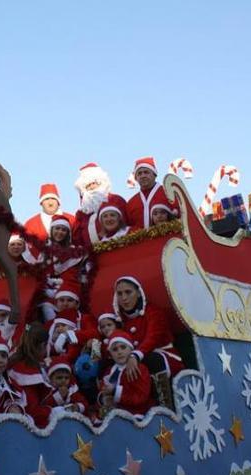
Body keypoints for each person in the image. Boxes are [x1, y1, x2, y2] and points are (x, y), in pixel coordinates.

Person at [113, 276, 184, 409]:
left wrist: (135, 355)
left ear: (139, 293)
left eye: (128, 292)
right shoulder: (121, 320)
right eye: (120, 293)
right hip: (133, 360)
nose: (124, 298)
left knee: (152, 360)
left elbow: (153, 337)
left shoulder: (153, 312)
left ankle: (166, 407)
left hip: (164, 357)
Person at [98, 330, 155, 417]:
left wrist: (115, 391)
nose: (119, 352)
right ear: (111, 354)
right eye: (115, 349)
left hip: (137, 415)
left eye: (123, 347)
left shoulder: (139, 369)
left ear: (131, 349)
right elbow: (104, 389)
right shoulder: (109, 371)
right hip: (114, 415)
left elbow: (140, 396)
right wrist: (104, 397)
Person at [8, 323, 55, 428]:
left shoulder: (16, 362)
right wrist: (54, 412)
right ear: (43, 345)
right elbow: (32, 411)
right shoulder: (26, 373)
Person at [73, 162, 127, 249]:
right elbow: (78, 239)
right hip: (92, 256)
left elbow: (126, 223)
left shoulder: (116, 200)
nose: (92, 188)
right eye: (88, 186)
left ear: (102, 183)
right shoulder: (82, 213)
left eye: (94, 183)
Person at [125, 157, 178, 229]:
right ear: (136, 178)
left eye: (146, 172)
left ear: (154, 174)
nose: (143, 176)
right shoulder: (131, 203)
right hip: (141, 240)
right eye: (139, 174)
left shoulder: (168, 192)